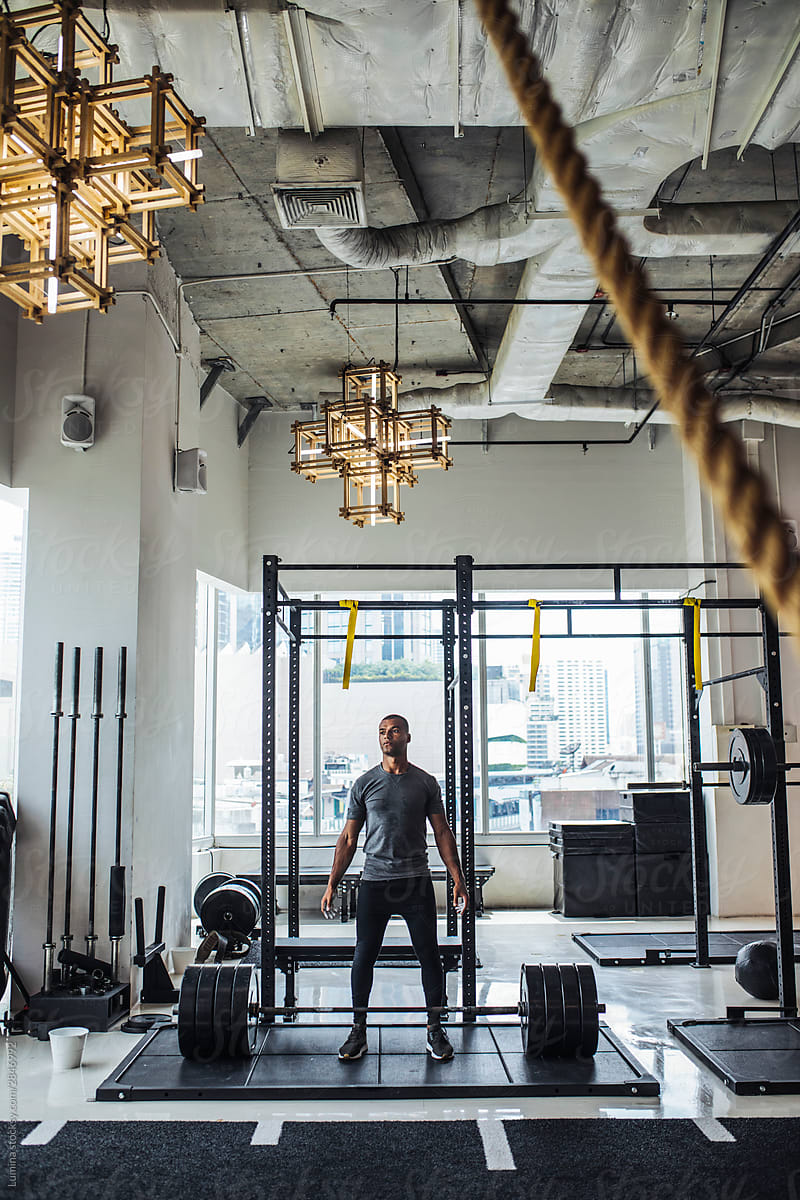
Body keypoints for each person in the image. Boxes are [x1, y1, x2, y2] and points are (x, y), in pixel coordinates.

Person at [321, 714, 469, 1063]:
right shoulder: (364, 784)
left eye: (395, 731)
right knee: (364, 955)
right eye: (383, 733)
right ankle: (358, 1030)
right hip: (374, 882)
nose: (388, 737)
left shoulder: (426, 783)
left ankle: (435, 1029)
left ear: (407, 736)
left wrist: (457, 879)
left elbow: (443, 832)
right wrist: (332, 883)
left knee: (429, 955)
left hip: (415, 881)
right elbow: (348, 838)